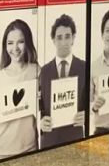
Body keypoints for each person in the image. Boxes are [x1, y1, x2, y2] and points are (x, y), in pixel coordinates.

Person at [0, 19, 39, 161]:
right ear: (5, 46)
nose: (15, 48)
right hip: (2, 150)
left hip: (29, 147)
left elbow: (43, 108)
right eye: (10, 43)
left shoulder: (36, 70)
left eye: (21, 42)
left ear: (28, 43)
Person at [39, 14, 86, 148]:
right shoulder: (44, 71)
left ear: (73, 38)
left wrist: (87, 115)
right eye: (59, 38)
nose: (64, 42)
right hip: (50, 139)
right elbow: (39, 104)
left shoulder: (84, 67)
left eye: (67, 36)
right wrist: (41, 121)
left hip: (75, 137)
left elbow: (91, 99)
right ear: (53, 40)